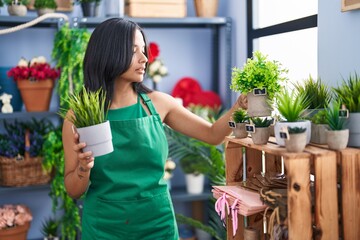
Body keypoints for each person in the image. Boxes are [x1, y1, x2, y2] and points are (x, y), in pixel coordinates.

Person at [62, 18, 247, 240]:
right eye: (134, 51)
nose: (145, 59)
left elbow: (212, 134)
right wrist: (83, 167)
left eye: (144, 50)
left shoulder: (159, 104)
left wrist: (239, 107)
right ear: (109, 53)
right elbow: (73, 190)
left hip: (157, 225)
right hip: (104, 228)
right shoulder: (79, 117)